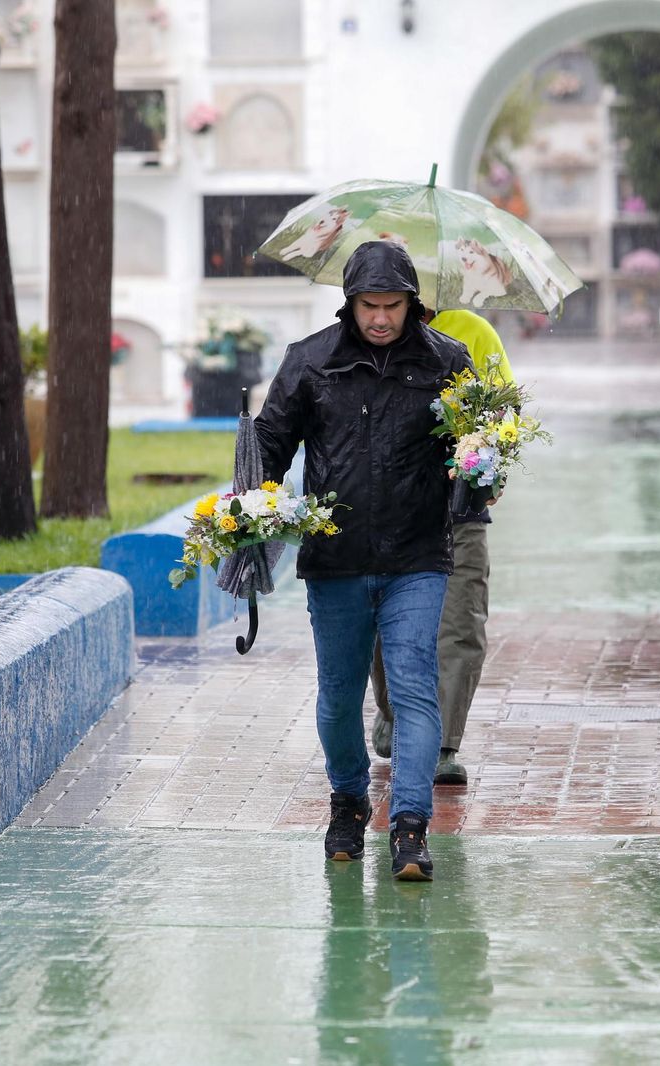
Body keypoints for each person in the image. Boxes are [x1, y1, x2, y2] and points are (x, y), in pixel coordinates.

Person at [255, 241, 473, 882]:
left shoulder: (447, 362)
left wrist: (480, 474)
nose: (381, 318)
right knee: (338, 697)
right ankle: (348, 803)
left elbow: (476, 442)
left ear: (413, 303)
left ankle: (410, 827)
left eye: (393, 306)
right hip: (336, 558)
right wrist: (258, 506)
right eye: (369, 306)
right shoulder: (310, 361)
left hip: (418, 557)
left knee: (412, 689)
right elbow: (270, 439)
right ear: (349, 304)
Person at [369, 308, 512, 787]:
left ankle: (443, 744)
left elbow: (502, 415)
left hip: (458, 509)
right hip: (386, 511)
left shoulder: (474, 333)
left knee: (461, 621)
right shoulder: (368, 333)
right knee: (385, 622)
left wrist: (491, 462)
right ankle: (393, 712)